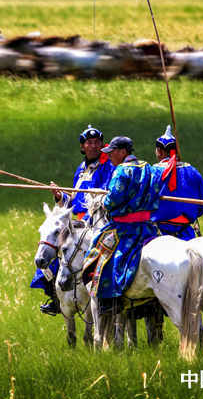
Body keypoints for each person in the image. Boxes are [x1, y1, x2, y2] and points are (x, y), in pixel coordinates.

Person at [32, 124, 115, 316]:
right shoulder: (81, 169)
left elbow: (106, 197)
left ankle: (104, 297)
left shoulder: (108, 167)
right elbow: (74, 201)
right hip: (77, 223)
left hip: (96, 222)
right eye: (89, 143)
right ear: (82, 147)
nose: (93, 146)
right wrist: (60, 196)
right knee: (49, 246)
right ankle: (55, 295)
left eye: (97, 142)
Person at [81, 136, 164, 315]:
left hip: (125, 228)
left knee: (100, 253)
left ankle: (111, 299)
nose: (109, 156)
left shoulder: (121, 171)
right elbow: (157, 190)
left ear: (122, 152)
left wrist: (103, 200)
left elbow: (113, 200)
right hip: (148, 227)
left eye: (112, 152)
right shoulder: (149, 168)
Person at [152, 125, 203, 240]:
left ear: (160, 151)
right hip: (186, 233)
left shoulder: (153, 172)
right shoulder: (192, 171)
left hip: (157, 232)